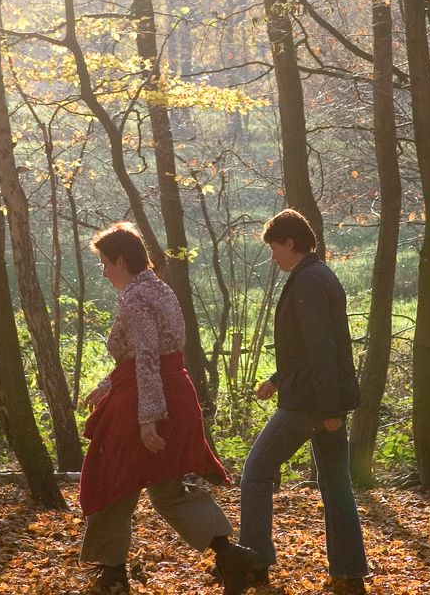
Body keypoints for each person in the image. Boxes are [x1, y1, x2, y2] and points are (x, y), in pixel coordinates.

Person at [77, 223, 262, 595]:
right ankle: (230, 555)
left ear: (120, 260)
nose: (103, 271)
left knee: (112, 478)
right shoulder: (160, 290)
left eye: (104, 262)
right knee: (166, 486)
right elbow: (146, 355)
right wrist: (107, 385)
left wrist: (148, 419)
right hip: (173, 392)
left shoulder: (135, 299)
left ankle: (112, 574)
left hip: (149, 399)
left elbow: (146, 358)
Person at [238, 208, 370, 594]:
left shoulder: (308, 282)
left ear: (290, 243)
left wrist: (330, 412)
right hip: (316, 398)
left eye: (274, 248)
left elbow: (323, 349)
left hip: (310, 405)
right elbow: (307, 346)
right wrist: (278, 380)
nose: (273, 256)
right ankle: (348, 575)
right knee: (336, 486)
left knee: (256, 473)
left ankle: (254, 564)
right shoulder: (317, 275)